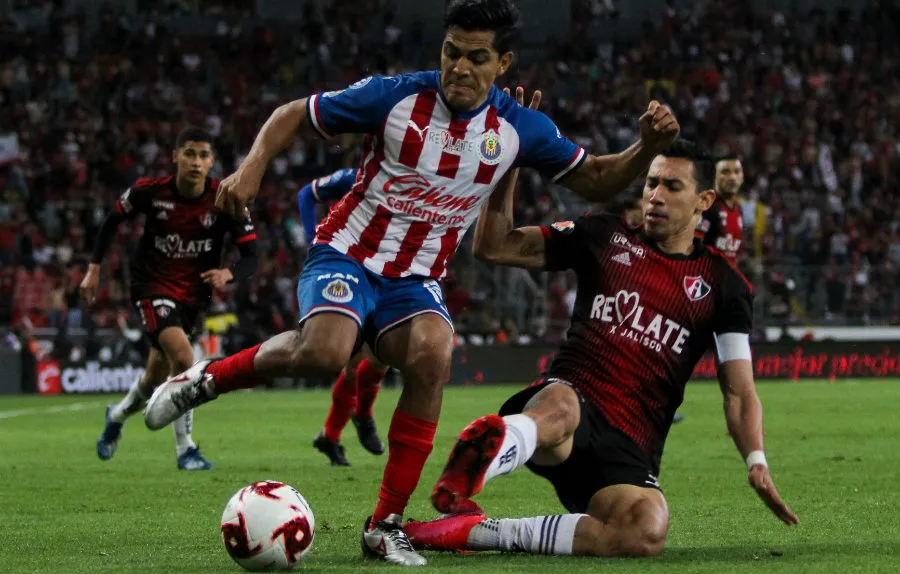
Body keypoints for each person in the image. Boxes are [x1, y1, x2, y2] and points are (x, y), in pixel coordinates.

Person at [143, 0, 679, 565]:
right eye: (452, 52)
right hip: (348, 253)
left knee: (434, 353)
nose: (460, 67)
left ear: (503, 64)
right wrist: (251, 168)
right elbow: (295, 113)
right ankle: (207, 379)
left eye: (477, 57)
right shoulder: (396, 97)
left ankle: (385, 525)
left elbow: (595, 180)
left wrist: (645, 147)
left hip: (415, 278)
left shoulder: (518, 127)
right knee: (325, 354)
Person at [405, 139, 798, 558]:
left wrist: (756, 460)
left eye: (672, 186)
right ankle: (487, 454)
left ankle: (474, 532)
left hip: (631, 445)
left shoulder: (725, 285)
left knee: (644, 532)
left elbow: (739, 392)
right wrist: (510, 162)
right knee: (561, 407)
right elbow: (494, 246)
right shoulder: (604, 235)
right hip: (569, 406)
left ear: (705, 200)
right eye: (651, 183)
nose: (656, 196)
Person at [83, 126, 258, 471]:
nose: (196, 162)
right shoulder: (151, 192)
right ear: (176, 156)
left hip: (193, 297)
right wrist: (93, 268)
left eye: (203, 155)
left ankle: (116, 415)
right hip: (152, 287)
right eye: (189, 153)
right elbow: (111, 220)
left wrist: (229, 273)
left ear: (212, 161)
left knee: (154, 378)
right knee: (184, 357)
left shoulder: (225, 200)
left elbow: (251, 255)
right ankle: (185, 449)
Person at [298, 167, 389, 465]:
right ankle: (355, 418)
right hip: (345, 269)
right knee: (363, 358)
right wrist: (312, 239)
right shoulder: (354, 177)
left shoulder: (408, 180)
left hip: (382, 271)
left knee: (378, 356)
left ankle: (333, 433)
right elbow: (306, 194)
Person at [696, 153, 744, 264]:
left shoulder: (739, 209)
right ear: (714, 176)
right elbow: (694, 247)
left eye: (737, 172)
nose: (732, 177)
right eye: (725, 172)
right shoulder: (707, 205)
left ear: (742, 177)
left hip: (727, 273)